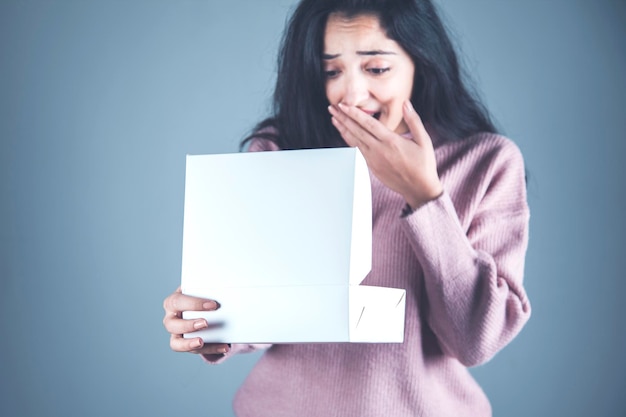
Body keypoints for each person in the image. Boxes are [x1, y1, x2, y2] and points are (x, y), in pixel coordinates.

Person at [162, 0, 531, 415]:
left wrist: (425, 195)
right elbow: (265, 309)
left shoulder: (487, 163)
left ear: (421, 63)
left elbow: (473, 340)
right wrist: (210, 325)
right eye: (331, 71)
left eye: (376, 69)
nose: (352, 95)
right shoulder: (280, 149)